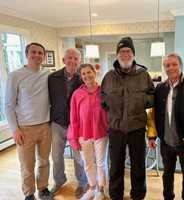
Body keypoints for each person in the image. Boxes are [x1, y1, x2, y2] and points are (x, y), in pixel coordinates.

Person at [101, 37, 155, 200]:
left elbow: (152, 95)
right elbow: (102, 96)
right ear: (117, 55)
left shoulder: (143, 74)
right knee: (116, 164)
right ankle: (116, 194)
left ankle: (138, 194)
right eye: (122, 51)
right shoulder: (109, 76)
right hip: (116, 128)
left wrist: (141, 101)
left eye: (128, 51)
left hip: (137, 127)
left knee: (138, 165)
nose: (125, 54)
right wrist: (107, 103)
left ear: (133, 54)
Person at [147, 53, 184, 200]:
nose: (171, 68)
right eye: (167, 65)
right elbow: (152, 113)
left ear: (180, 66)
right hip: (166, 143)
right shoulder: (160, 89)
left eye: (174, 64)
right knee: (167, 175)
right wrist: (152, 135)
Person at [5, 43, 52, 200]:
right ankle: (29, 193)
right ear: (26, 54)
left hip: (46, 125)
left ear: (44, 56)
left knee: (44, 161)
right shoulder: (15, 75)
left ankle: (43, 188)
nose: (37, 55)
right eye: (33, 52)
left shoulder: (47, 74)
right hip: (25, 129)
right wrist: (14, 129)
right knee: (27, 165)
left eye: (40, 53)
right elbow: (8, 105)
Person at [48, 48, 88, 198]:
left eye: (76, 59)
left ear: (79, 61)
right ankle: (59, 180)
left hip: (76, 125)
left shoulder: (83, 78)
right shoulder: (52, 78)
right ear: (64, 60)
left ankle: (82, 183)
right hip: (57, 123)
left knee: (78, 156)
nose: (72, 61)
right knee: (57, 155)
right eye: (69, 58)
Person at [68, 63, 108, 200]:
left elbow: (109, 112)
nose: (86, 76)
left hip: (101, 133)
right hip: (82, 134)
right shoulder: (77, 94)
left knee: (101, 163)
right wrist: (73, 138)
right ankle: (92, 187)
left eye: (89, 72)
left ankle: (101, 190)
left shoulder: (103, 91)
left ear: (94, 72)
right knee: (88, 163)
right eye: (83, 74)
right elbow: (73, 117)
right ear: (81, 76)